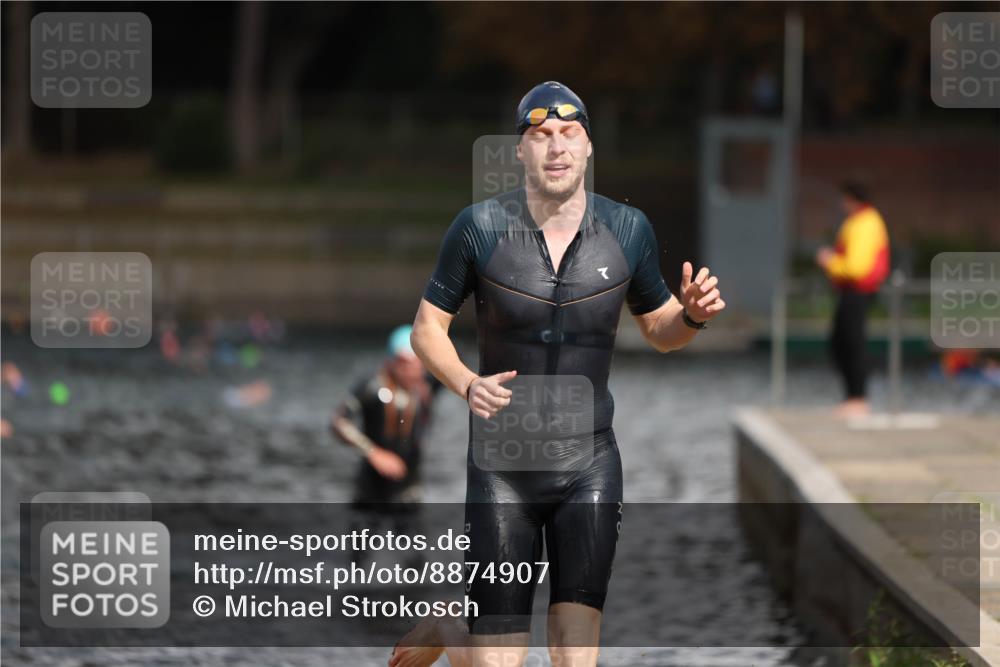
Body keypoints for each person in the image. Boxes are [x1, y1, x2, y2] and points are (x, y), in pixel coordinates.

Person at [391, 81, 726, 667]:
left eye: (569, 133)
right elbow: (425, 330)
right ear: (519, 150)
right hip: (503, 470)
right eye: (541, 135)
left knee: (574, 657)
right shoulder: (479, 228)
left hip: (589, 464)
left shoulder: (628, 230)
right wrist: (468, 383)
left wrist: (691, 315)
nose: (556, 147)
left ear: (589, 147)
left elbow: (659, 330)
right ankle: (453, 625)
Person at [330, 325, 442, 562]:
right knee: (357, 563)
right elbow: (338, 423)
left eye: (418, 361)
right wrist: (373, 452)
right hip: (370, 490)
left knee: (415, 565)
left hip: (408, 491)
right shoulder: (372, 388)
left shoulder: (426, 387)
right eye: (404, 362)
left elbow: (456, 363)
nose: (412, 370)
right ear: (392, 361)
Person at [815, 182, 890, 417]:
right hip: (850, 291)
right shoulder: (859, 220)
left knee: (852, 343)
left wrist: (830, 262)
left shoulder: (865, 223)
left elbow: (857, 267)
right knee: (841, 342)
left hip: (858, 290)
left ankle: (858, 399)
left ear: (851, 198)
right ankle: (853, 397)